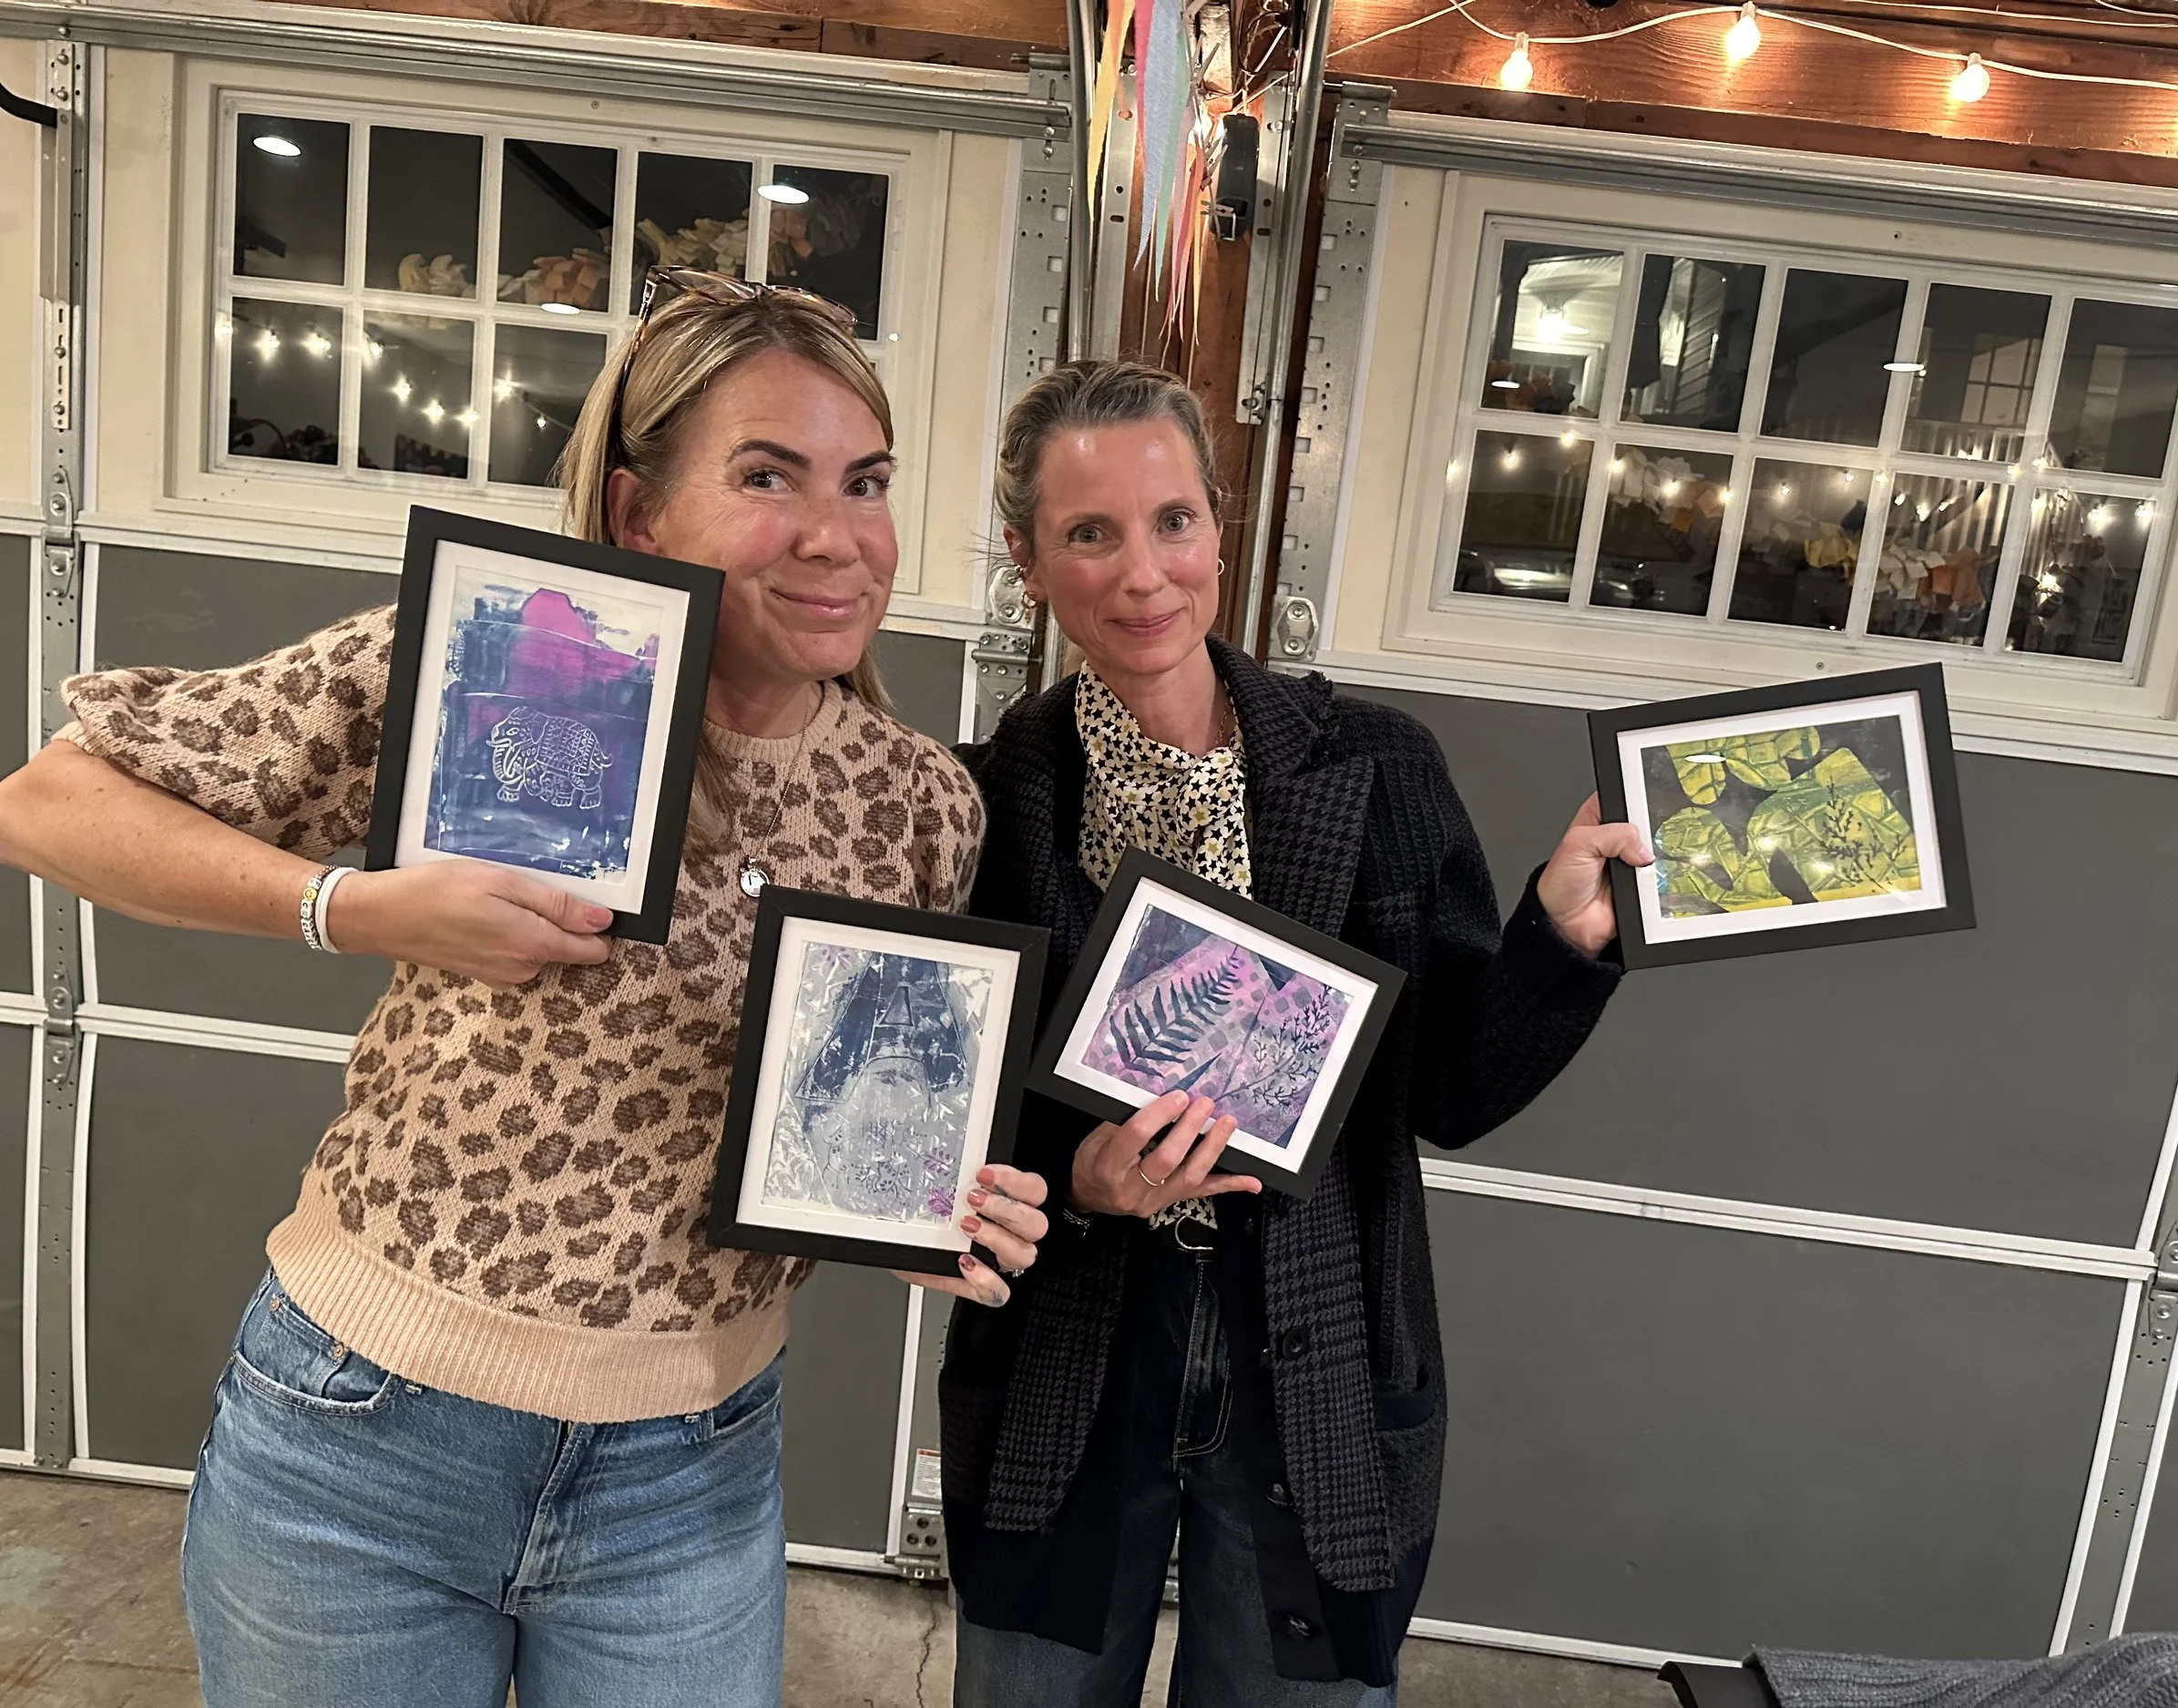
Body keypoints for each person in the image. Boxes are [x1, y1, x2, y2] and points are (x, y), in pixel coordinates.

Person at [0, 271, 1049, 1708]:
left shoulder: (921, 803)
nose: (837, 536)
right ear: (637, 512)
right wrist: (351, 905)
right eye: (768, 475)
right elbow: (48, 800)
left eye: (865, 482)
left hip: (686, 1479)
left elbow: (853, 1107)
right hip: (359, 1443)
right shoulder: (495, 662)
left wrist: (917, 1198)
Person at [940, 360, 1649, 1705]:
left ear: (1221, 524)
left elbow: (1446, 1090)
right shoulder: (989, 802)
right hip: (1068, 1359)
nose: (1143, 572)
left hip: (1314, 1356)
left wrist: (1560, 943)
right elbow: (954, 1119)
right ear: (1030, 559)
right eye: (1090, 532)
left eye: (1172, 521)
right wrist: (1076, 1176)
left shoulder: (1378, 768)